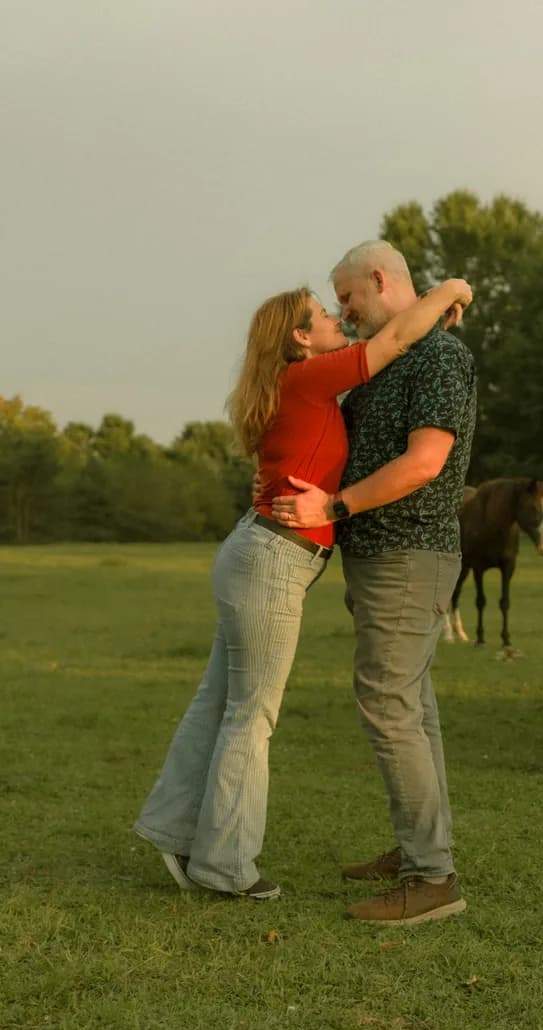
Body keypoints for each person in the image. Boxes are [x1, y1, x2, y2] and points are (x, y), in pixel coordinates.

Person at [134, 276, 473, 902]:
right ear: (299, 337)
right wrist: (450, 285)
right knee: (250, 717)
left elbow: (403, 346)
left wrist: (436, 322)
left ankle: (171, 830)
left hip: (256, 552)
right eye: (323, 314)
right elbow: (396, 335)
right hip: (271, 559)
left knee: (219, 703)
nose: (336, 319)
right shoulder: (310, 375)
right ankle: (224, 867)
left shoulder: (295, 385)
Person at [270, 240, 478, 925]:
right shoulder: (396, 356)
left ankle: (431, 876)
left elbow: (424, 463)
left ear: (380, 281)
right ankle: (423, 846)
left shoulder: (439, 356)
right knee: (411, 704)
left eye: (350, 296)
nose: (344, 310)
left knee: (388, 704)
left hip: (408, 553)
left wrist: (334, 507)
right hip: (385, 555)